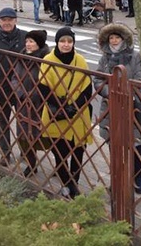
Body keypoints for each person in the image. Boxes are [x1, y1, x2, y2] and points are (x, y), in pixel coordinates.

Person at [39, 27, 93, 198]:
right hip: (56, 112)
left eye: (69, 41)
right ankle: (66, 184)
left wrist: (74, 107)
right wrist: (61, 105)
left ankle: (73, 184)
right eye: (62, 41)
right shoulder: (48, 60)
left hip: (78, 114)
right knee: (59, 151)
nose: (66, 44)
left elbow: (87, 88)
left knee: (78, 150)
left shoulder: (81, 61)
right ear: (57, 42)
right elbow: (43, 87)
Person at [94, 23, 141, 194]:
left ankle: (136, 177)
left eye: (117, 37)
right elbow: (98, 80)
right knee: (114, 144)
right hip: (111, 106)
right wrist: (110, 93)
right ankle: (117, 179)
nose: (114, 40)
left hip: (133, 106)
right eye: (111, 38)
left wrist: (127, 91)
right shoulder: (104, 59)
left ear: (123, 39)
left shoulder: (135, 57)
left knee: (135, 143)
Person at [0, 8, 27, 166]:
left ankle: (25, 152)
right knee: (2, 122)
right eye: (4, 20)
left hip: (22, 89)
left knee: (23, 121)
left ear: (16, 20)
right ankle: (5, 153)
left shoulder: (24, 38)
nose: (7, 23)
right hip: (1, 88)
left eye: (10, 19)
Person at [12, 30, 51, 177]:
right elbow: (14, 77)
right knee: (24, 134)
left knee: (45, 135)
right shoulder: (22, 57)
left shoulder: (45, 59)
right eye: (27, 41)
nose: (28, 44)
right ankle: (31, 163)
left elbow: (48, 81)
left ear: (38, 44)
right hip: (23, 102)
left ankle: (60, 166)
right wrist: (21, 93)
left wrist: (34, 95)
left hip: (41, 103)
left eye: (31, 42)